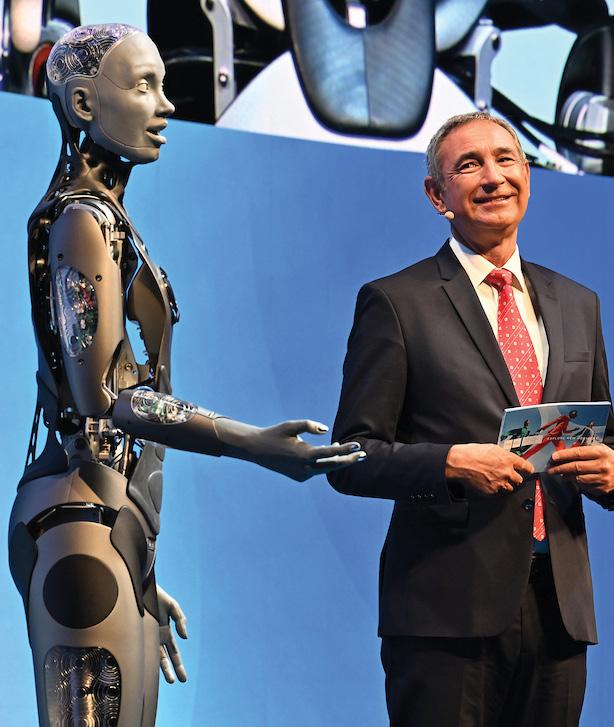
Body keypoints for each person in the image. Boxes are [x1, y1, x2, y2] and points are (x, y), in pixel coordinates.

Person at [8, 24, 364, 727]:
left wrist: (138, 562)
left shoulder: (104, 220)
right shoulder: (81, 221)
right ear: (83, 103)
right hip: (81, 518)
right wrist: (252, 442)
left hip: (105, 519)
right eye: (144, 86)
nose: (166, 105)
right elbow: (108, 399)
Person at [327, 111, 614, 727]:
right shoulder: (396, 302)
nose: (493, 176)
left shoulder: (578, 303)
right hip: (445, 612)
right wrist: (448, 464)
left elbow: (607, 439)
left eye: (506, 159)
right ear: (436, 195)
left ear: (528, 176)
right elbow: (351, 457)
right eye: (469, 165)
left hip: (560, 610)